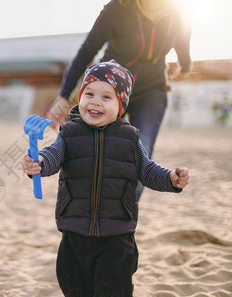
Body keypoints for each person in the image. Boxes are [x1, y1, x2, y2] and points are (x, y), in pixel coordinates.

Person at [22, 61, 190, 297]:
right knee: (74, 287)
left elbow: (148, 170)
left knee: (114, 292)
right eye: (88, 93)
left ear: (121, 105)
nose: (95, 102)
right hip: (74, 232)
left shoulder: (129, 138)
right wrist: (37, 162)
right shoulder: (69, 133)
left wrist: (170, 178)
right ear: (80, 98)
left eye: (106, 97)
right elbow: (53, 155)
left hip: (117, 236)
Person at [46, 0, 192, 200]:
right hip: (109, 89)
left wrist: (184, 67)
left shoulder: (178, 14)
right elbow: (87, 50)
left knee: (141, 153)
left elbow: (183, 46)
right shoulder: (116, 9)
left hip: (152, 89)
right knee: (85, 145)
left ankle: (122, 216)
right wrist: (64, 95)